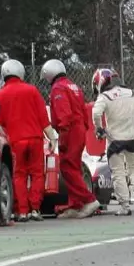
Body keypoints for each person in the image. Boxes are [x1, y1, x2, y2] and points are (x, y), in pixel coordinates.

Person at [0, 59, 54, 222]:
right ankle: (35, 208)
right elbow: (44, 118)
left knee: (18, 175)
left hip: (15, 141)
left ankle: (22, 211)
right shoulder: (32, 91)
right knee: (37, 174)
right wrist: (52, 137)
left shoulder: (0, 95)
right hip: (35, 138)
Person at [91, 68, 134, 216]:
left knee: (118, 173)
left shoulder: (104, 97)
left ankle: (125, 206)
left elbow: (95, 113)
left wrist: (99, 128)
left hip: (114, 140)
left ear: (101, 81)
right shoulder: (133, 93)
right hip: (131, 138)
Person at [45, 59, 100, 218]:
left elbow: (64, 114)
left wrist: (63, 134)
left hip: (69, 130)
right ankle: (76, 204)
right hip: (79, 129)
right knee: (74, 167)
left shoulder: (58, 88)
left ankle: (89, 200)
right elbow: (82, 112)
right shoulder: (74, 86)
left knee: (68, 167)